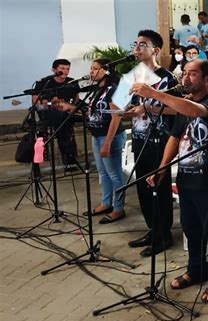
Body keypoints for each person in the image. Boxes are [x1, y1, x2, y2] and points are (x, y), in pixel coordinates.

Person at [131, 59, 208, 303]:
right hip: (187, 178)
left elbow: (195, 111)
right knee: (191, 228)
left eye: (193, 74)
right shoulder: (184, 104)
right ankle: (196, 270)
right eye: (184, 73)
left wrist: (153, 94)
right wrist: (163, 168)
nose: (185, 78)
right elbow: (175, 138)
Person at [124, 30, 177, 257]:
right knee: (143, 189)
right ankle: (152, 230)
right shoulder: (134, 76)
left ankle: (163, 235)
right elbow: (128, 103)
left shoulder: (167, 78)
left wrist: (148, 108)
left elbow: (176, 109)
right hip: (139, 139)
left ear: (155, 50)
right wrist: (125, 111)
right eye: (135, 44)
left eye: (142, 44)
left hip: (159, 140)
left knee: (158, 189)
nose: (137, 48)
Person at [59, 59, 127, 224]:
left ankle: (118, 208)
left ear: (106, 71)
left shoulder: (113, 89)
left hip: (109, 136)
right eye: (91, 68)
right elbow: (93, 113)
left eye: (95, 68)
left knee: (114, 173)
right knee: (103, 172)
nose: (91, 72)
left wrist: (108, 142)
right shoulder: (98, 89)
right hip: (97, 135)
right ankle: (106, 203)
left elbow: (116, 117)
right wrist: (70, 108)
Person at [32, 59, 79, 169]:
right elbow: (36, 105)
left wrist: (71, 107)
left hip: (68, 112)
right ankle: (68, 156)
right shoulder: (44, 83)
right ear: (54, 69)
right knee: (61, 119)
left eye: (67, 69)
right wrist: (50, 105)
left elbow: (76, 100)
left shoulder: (72, 82)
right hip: (49, 112)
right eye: (62, 69)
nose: (65, 71)